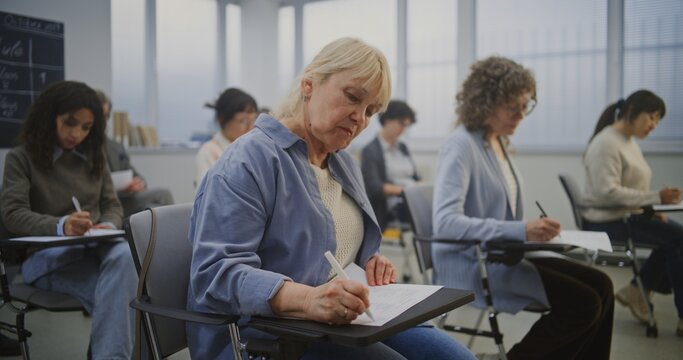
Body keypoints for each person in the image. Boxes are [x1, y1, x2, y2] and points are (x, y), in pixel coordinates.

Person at [187, 37, 475, 360]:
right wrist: (310, 300)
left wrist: (371, 259)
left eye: (371, 111)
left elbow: (336, 240)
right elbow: (216, 274)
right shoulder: (248, 161)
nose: (360, 118)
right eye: (352, 97)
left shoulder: (342, 161)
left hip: (343, 321)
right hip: (268, 336)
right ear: (309, 85)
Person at [432, 56, 614, 360]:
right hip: (475, 263)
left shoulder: (498, 141)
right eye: (512, 108)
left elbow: (500, 218)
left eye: (525, 107)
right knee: (583, 303)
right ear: (485, 103)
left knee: (602, 284)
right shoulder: (461, 145)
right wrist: (520, 229)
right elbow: (446, 223)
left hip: (504, 253)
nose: (520, 116)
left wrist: (530, 231)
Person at [0, 81, 136, 360]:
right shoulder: (21, 158)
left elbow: (112, 205)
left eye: (86, 127)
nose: (77, 133)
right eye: (70, 123)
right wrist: (61, 225)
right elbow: (12, 214)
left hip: (96, 250)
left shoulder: (94, 156)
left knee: (123, 254)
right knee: (123, 296)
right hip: (46, 257)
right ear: (50, 116)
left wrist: (106, 226)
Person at [582, 89, 683, 336]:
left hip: (626, 214)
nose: (654, 124)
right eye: (652, 117)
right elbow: (608, 193)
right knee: (678, 238)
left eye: (658, 119)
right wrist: (655, 198)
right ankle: (646, 292)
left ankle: (639, 288)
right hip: (607, 221)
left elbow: (629, 189)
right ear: (631, 112)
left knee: (675, 237)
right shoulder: (606, 143)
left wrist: (652, 208)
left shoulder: (629, 142)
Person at [96, 90, 174, 216]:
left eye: (105, 116)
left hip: (125, 199)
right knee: (163, 195)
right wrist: (118, 190)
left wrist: (139, 184)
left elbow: (139, 178)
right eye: (99, 115)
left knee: (154, 208)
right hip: (104, 202)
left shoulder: (115, 147)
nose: (102, 121)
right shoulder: (81, 148)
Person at [361, 100, 420, 231]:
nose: (403, 130)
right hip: (395, 205)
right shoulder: (370, 151)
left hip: (412, 198)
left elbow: (415, 178)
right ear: (387, 120)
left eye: (406, 126)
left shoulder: (403, 148)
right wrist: (406, 191)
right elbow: (375, 188)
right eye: (401, 124)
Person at [195, 87, 258, 185]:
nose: (250, 127)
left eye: (253, 120)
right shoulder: (209, 152)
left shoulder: (254, 149)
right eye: (243, 121)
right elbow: (207, 194)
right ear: (223, 119)